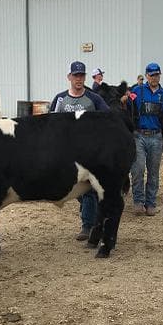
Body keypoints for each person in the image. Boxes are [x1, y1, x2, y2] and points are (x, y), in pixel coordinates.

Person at [50, 61, 110, 240]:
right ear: (69, 77)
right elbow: (51, 123)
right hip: (66, 151)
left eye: (81, 75)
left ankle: (87, 226)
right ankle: (89, 210)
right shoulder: (60, 99)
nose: (79, 79)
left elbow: (107, 117)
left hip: (88, 151)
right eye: (75, 75)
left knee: (87, 188)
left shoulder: (94, 98)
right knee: (71, 186)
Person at [128, 62, 163, 216]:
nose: (155, 78)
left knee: (153, 172)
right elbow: (128, 105)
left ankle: (150, 203)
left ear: (159, 75)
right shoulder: (137, 91)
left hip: (156, 136)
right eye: (152, 75)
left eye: (157, 75)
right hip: (138, 135)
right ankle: (138, 201)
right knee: (138, 169)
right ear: (147, 76)